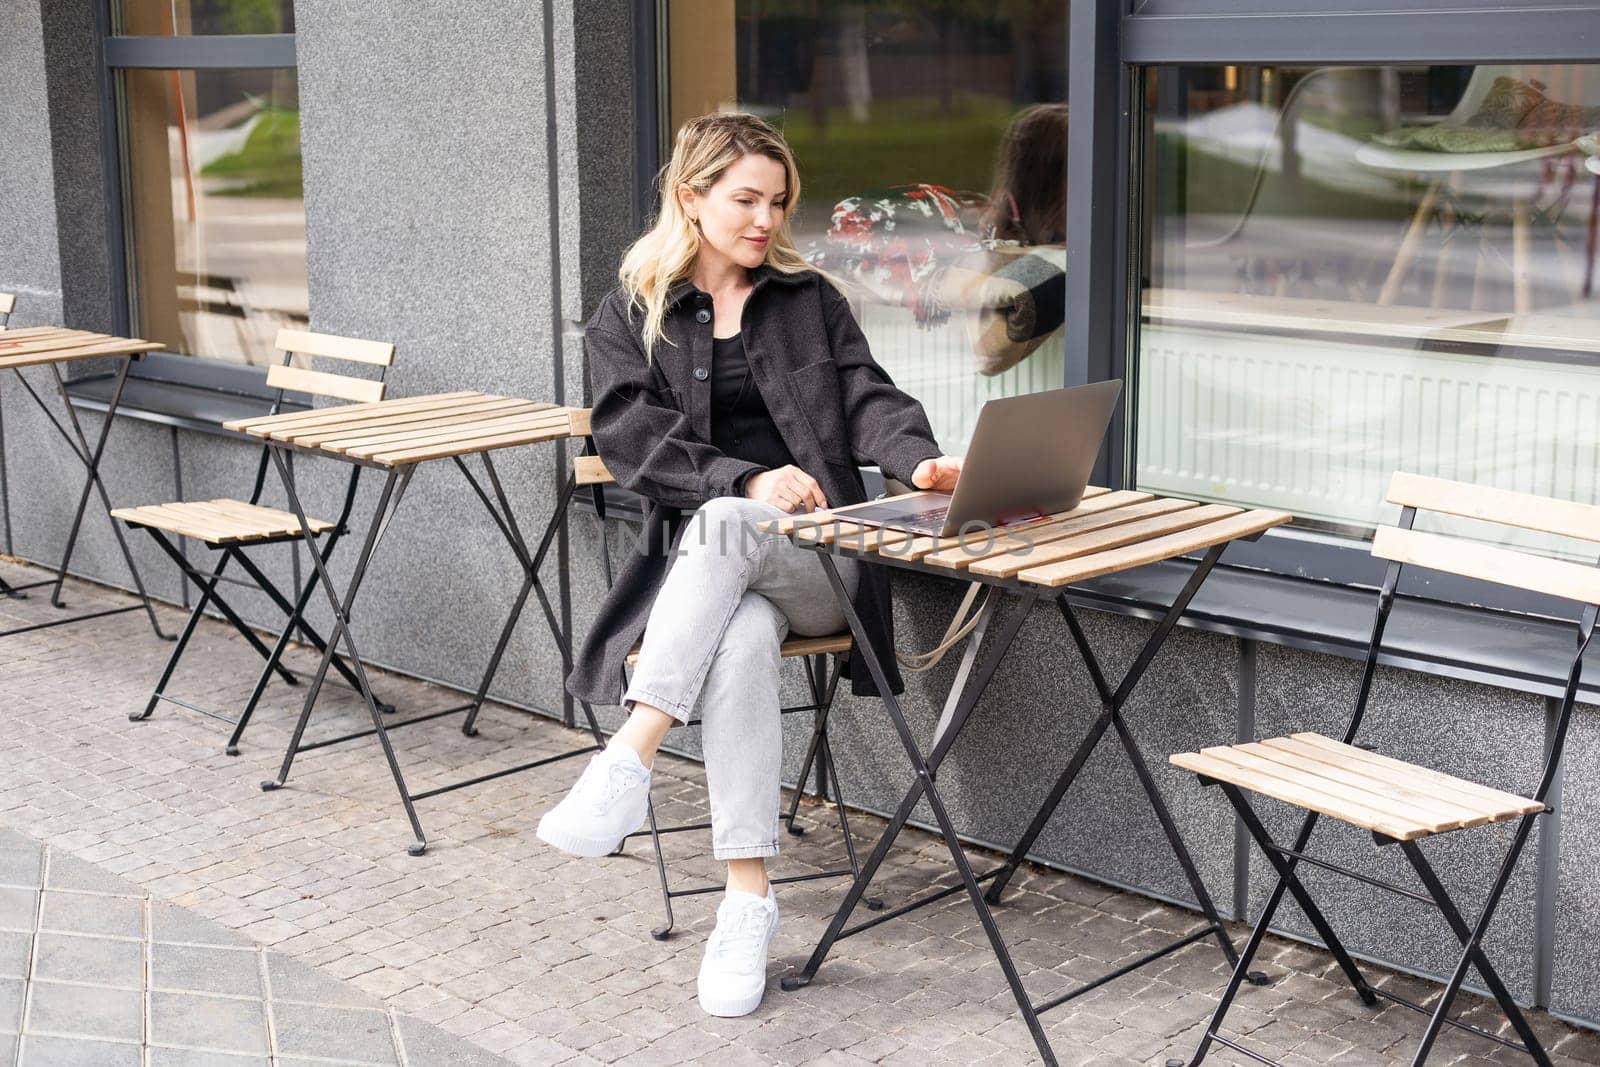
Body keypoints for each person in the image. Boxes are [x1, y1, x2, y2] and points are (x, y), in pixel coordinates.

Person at [536, 112, 964, 1019]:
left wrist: (916, 460)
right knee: (734, 637)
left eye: (778, 201)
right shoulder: (630, 314)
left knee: (733, 519)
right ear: (689, 198)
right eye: (745, 199)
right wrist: (748, 477)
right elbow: (631, 440)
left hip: (820, 564)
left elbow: (868, 397)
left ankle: (630, 756)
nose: (766, 219)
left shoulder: (809, 301)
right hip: (703, 574)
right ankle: (747, 903)